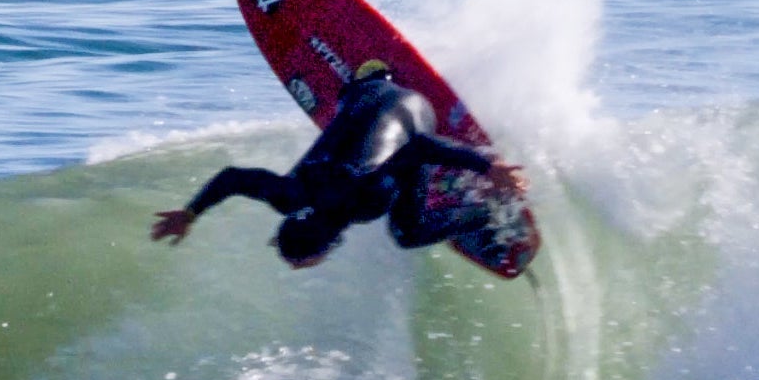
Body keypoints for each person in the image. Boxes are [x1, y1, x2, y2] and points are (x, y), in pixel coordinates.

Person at [151, 60, 526, 268]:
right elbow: (232, 178)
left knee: (407, 232)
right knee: (350, 120)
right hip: (371, 90)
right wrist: (190, 213)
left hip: (419, 113)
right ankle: (371, 77)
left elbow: (418, 147)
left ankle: (486, 212)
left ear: (328, 244)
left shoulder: (364, 202)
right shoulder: (288, 195)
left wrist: (484, 166)